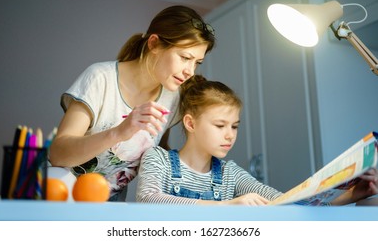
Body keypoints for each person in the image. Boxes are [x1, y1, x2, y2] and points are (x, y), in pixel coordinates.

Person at [48, 5, 216, 201]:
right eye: (185, 58)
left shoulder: (173, 98)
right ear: (154, 43)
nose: (190, 71)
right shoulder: (100, 78)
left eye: (197, 62)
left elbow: (157, 149)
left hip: (111, 206)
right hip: (60, 195)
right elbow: (58, 154)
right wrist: (119, 132)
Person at [136, 75, 378, 205]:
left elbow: (282, 203)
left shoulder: (230, 174)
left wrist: (349, 196)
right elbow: (149, 198)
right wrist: (224, 208)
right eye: (220, 126)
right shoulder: (158, 158)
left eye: (234, 126)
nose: (229, 135)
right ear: (190, 123)